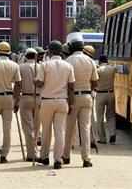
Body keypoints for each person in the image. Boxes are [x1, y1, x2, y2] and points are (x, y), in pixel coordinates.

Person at [35, 40, 75, 169]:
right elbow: (71, 87)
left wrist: (35, 81)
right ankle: (58, 159)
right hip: (62, 100)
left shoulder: (44, 65)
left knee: (46, 131)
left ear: (50, 51)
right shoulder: (68, 66)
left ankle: (44, 157)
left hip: (47, 100)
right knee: (60, 131)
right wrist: (72, 104)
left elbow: (40, 83)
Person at [63, 38, 99, 168]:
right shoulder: (90, 61)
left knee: (69, 128)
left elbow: (65, 83)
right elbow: (95, 82)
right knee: (85, 128)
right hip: (87, 96)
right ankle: (86, 159)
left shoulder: (67, 61)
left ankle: (66, 156)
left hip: (72, 98)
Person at [19, 48, 41, 161]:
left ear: (26, 56)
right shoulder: (41, 66)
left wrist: (16, 100)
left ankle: (31, 153)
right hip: (39, 98)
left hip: (26, 97)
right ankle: (35, 151)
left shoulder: (21, 67)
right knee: (36, 127)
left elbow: (18, 85)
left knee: (28, 128)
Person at [95, 55, 117, 144]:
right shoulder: (112, 69)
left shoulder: (98, 70)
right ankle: (112, 134)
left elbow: (94, 80)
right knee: (111, 115)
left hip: (100, 94)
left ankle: (102, 139)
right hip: (111, 93)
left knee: (100, 117)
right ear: (107, 61)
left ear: (99, 61)